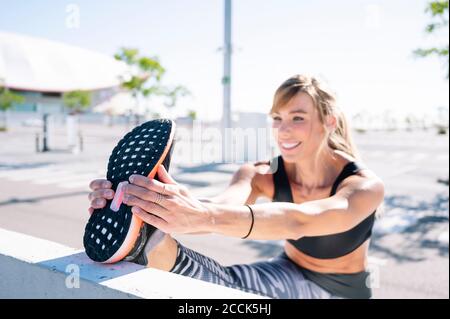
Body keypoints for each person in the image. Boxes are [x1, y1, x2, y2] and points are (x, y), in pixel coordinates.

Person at [87, 74, 384, 299]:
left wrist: (204, 216)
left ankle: (148, 236)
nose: (283, 130)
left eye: (298, 118)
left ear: (329, 122)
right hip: (286, 270)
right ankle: (145, 238)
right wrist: (158, 200)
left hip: (338, 292)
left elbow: (299, 220)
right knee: (216, 285)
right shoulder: (262, 173)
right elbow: (222, 205)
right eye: (277, 119)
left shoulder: (364, 187)